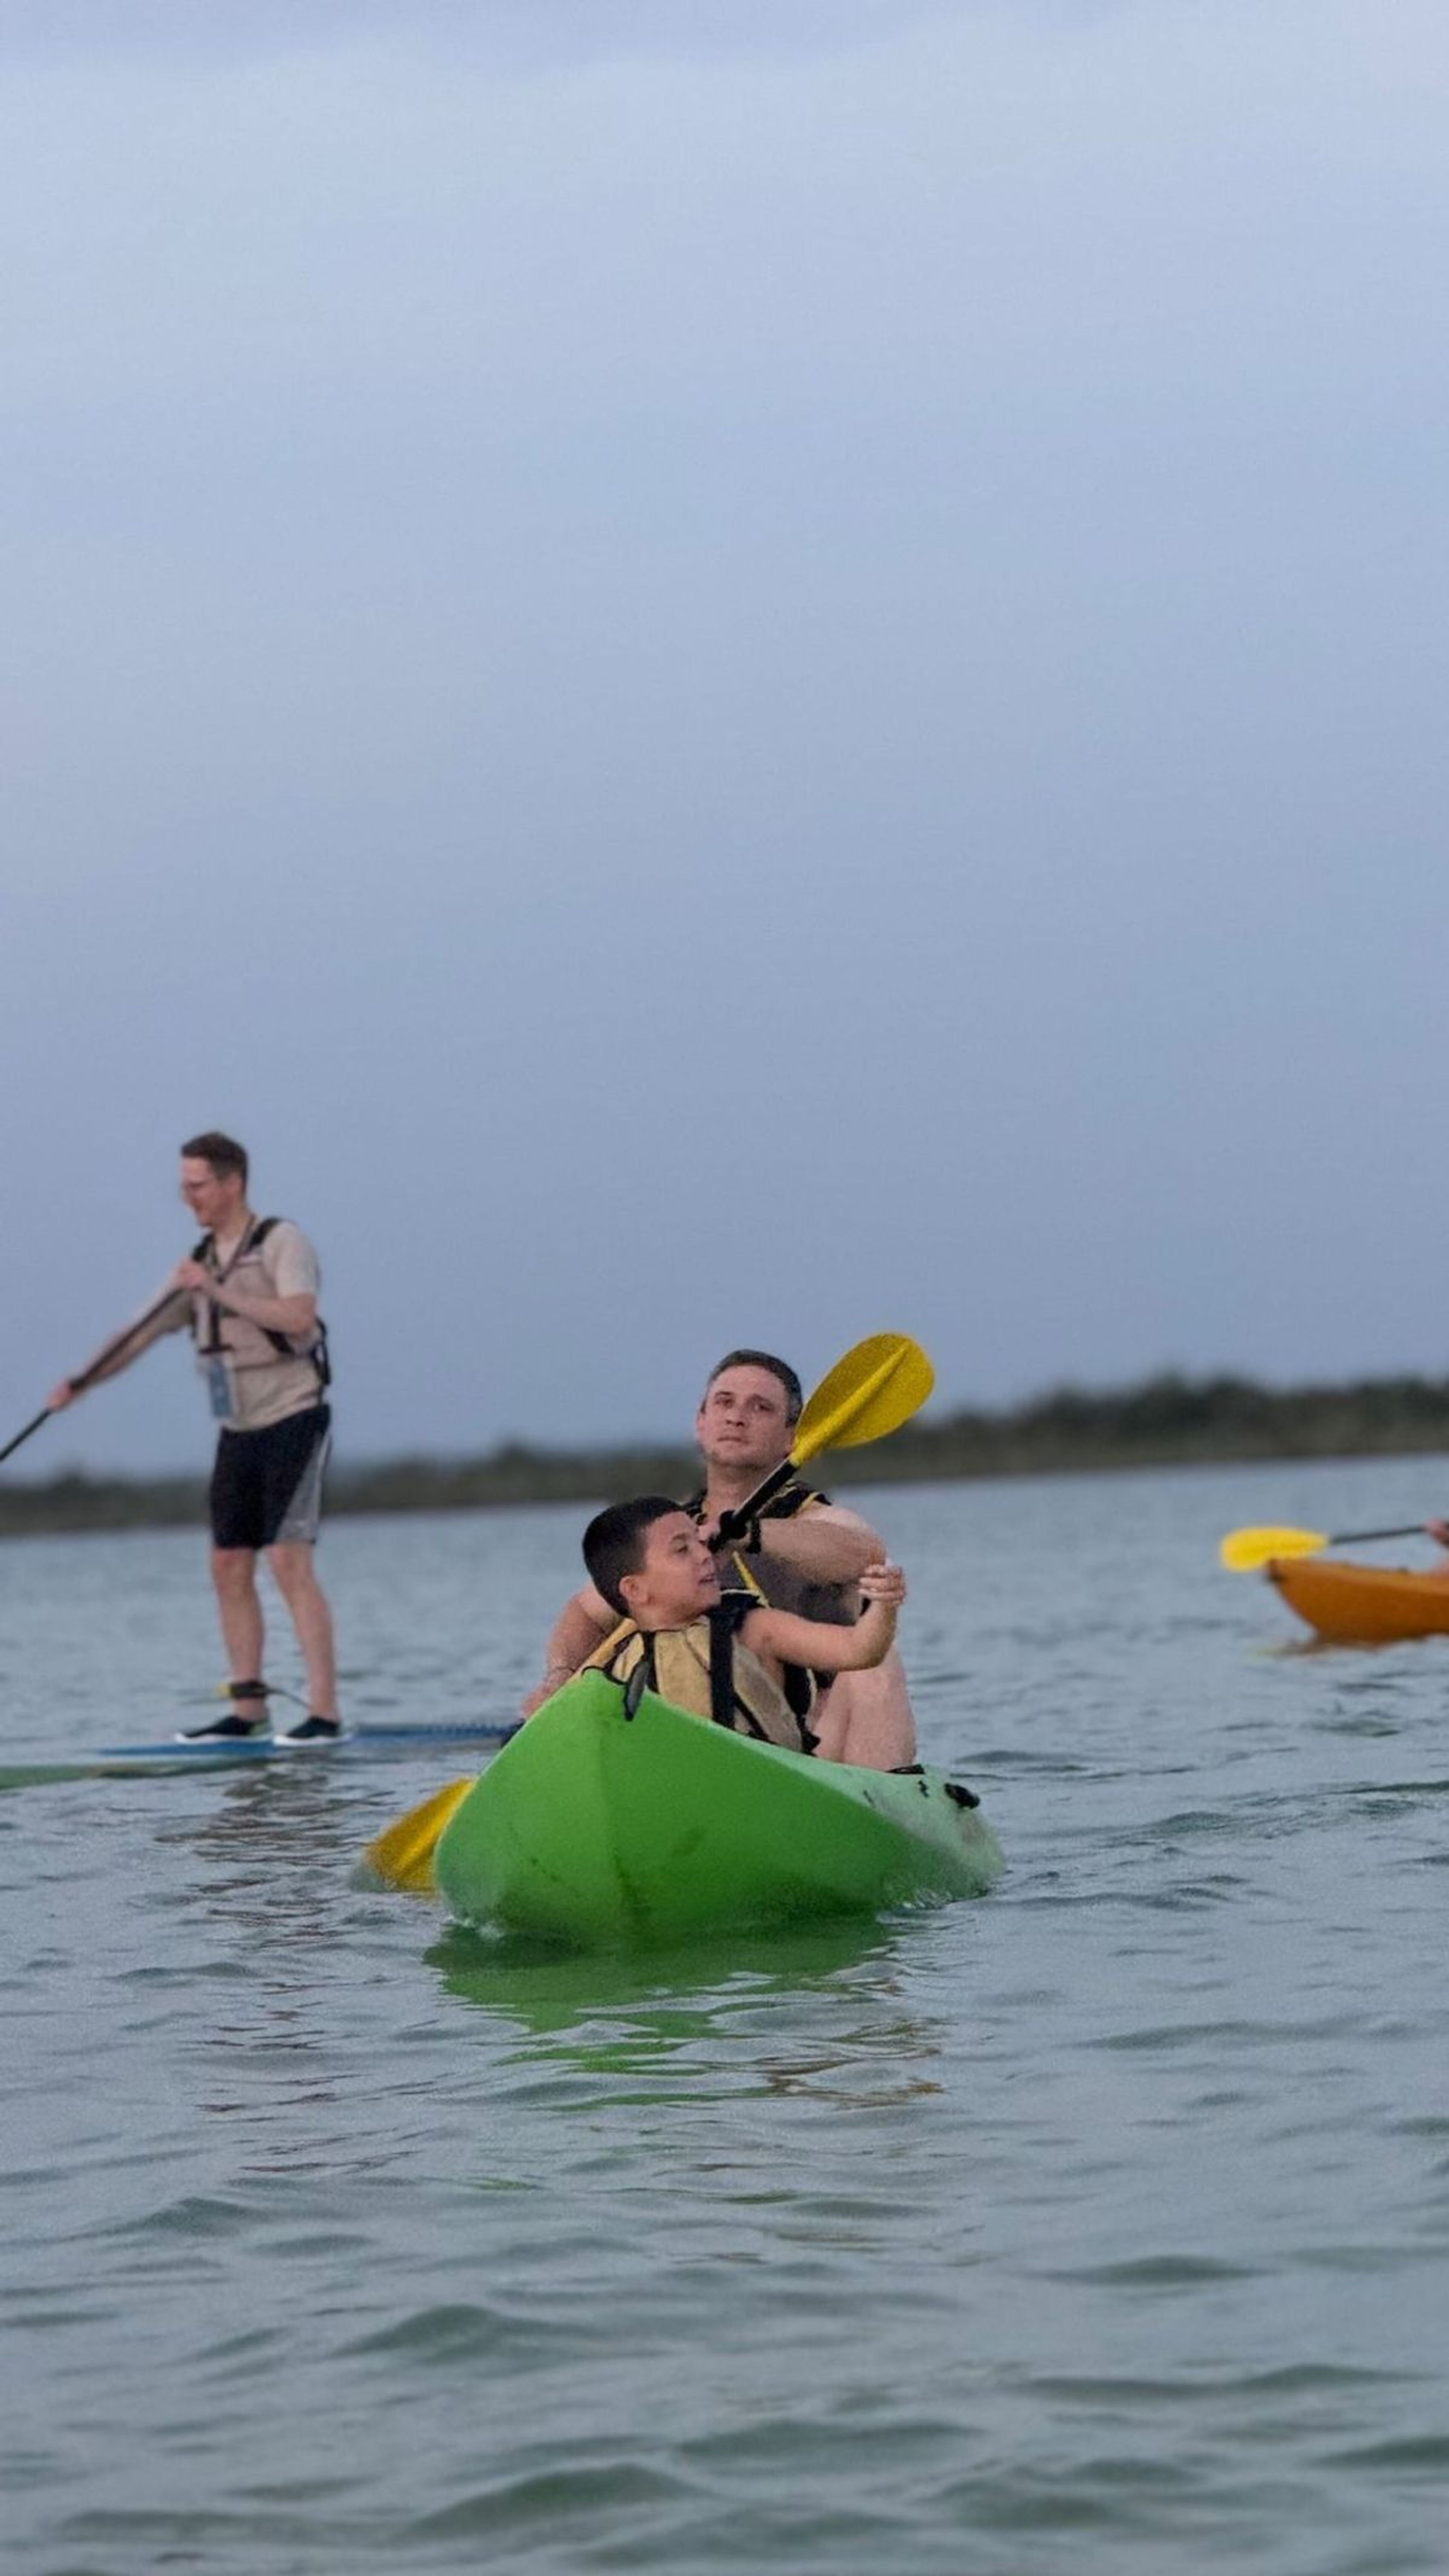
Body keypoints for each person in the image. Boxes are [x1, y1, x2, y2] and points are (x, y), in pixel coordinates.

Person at [48, 1132, 340, 1744]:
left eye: (198, 1186)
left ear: (233, 1183)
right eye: (183, 1187)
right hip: (237, 1428)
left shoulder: (281, 1241)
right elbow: (140, 1334)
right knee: (228, 1563)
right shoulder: (197, 1262)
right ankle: (248, 1710)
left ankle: (324, 1712)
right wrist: (82, 1383)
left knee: (287, 1560)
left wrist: (217, 1291)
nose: (188, 1198)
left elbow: (299, 1317)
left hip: (294, 1416)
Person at [525, 1350, 919, 1767]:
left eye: (760, 1407)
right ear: (701, 1422)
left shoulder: (817, 1520)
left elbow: (865, 1553)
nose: (736, 1417)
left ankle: (886, 1793)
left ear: (791, 1437)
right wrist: (559, 1677)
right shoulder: (671, 1533)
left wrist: (749, 1534)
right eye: (724, 1402)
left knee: (878, 1664)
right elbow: (585, 1612)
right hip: (707, 1748)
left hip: (817, 1750)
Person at [579, 1494, 907, 1755]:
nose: (704, 1555)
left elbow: (860, 1650)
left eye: (700, 1542)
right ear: (635, 1590)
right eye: (682, 1550)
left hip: (779, 1780)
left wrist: (884, 1605)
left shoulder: (754, 1628)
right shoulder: (613, 1669)